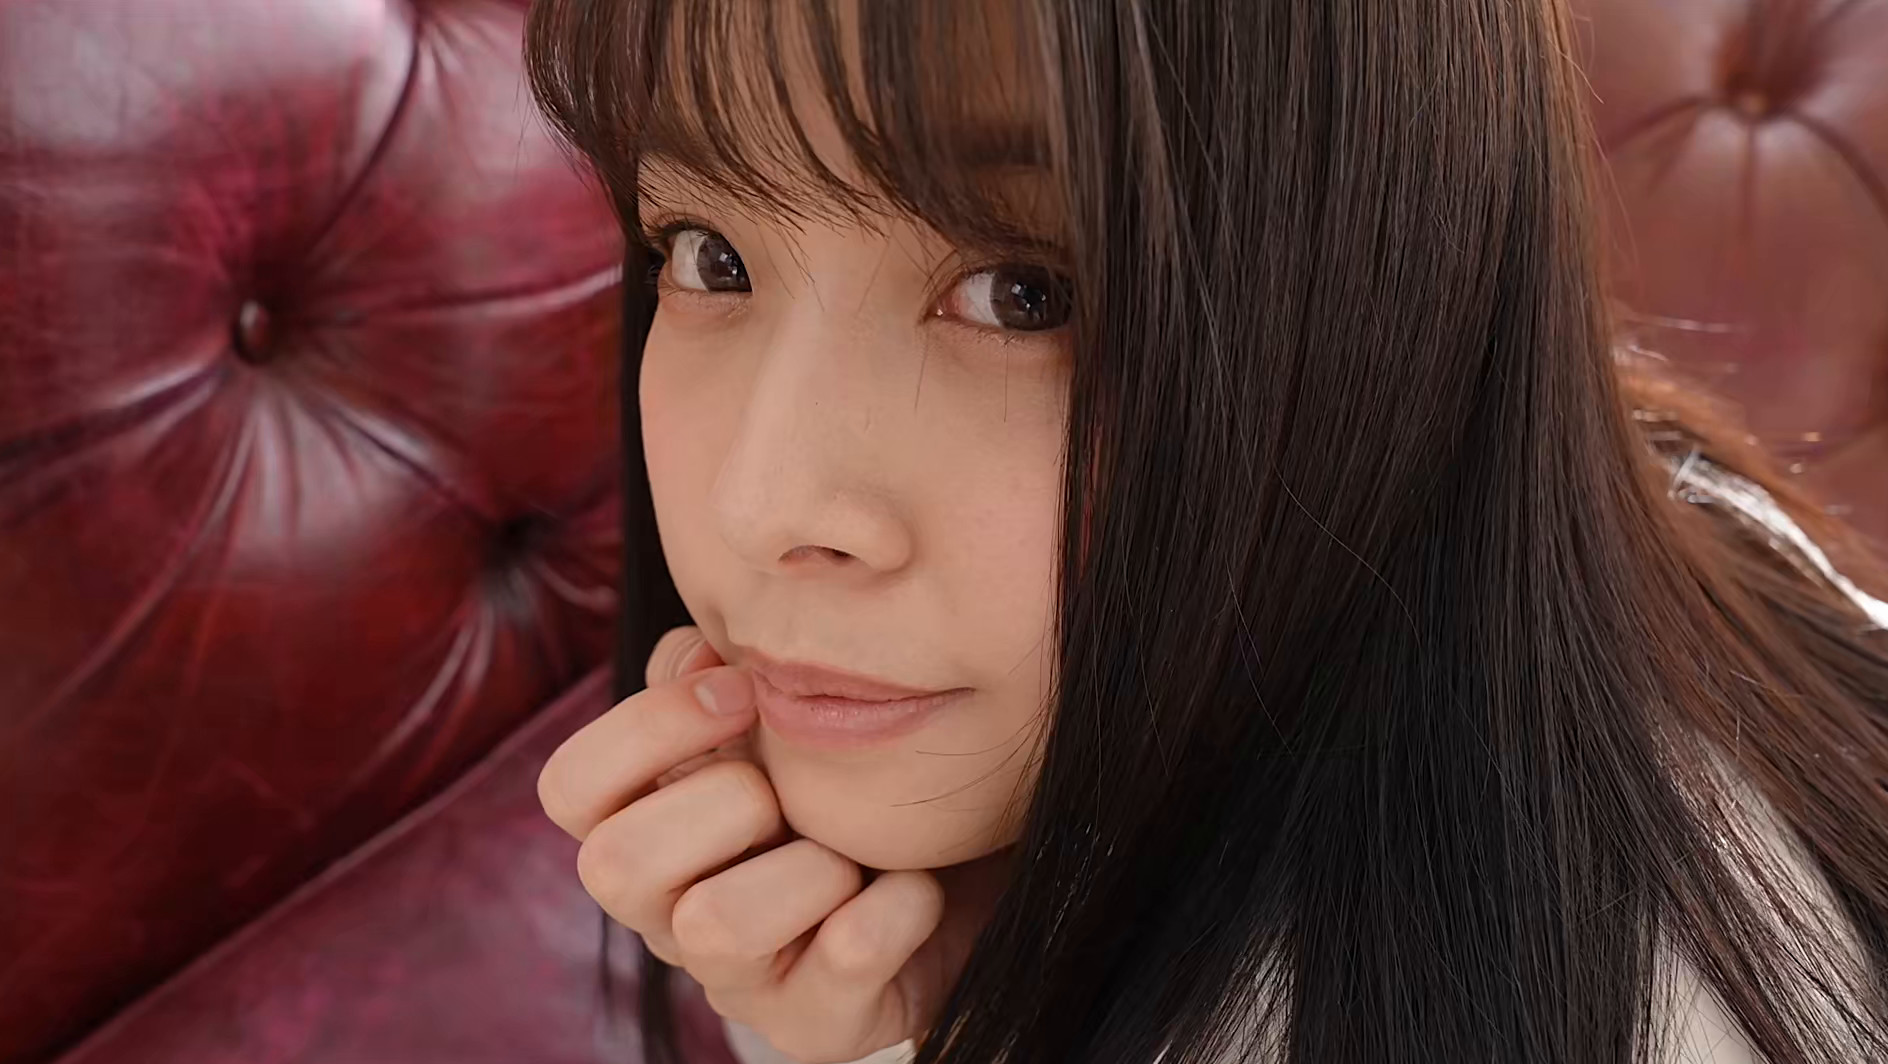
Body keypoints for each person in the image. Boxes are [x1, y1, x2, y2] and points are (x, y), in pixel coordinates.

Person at [524, 1, 1888, 1061]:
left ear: (1383, 292)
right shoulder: (1649, 511)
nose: (761, 502)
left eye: (1023, 293)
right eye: (709, 256)